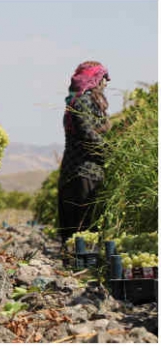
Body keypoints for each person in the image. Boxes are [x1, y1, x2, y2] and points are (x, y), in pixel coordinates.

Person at [57, 61, 111, 244]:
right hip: (82, 173)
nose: (106, 83)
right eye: (104, 78)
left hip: (86, 172)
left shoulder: (87, 102)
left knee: (83, 228)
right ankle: (78, 265)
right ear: (95, 79)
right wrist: (111, 151)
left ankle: (79, 263)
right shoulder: (83, 101)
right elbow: (87, 133)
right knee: (81, 227)